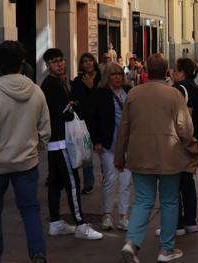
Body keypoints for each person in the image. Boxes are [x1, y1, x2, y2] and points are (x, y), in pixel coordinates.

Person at [115, 53, 198, 263]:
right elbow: (184, 127)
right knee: (169, 201)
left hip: (139, 153)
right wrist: (192, 148)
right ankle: (166, 248)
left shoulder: (133, 94)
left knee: (143, 200)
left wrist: (119, 156)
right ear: (166, 72)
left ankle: (132, 242)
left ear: (146, 72)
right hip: (169, 155)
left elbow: (123, 128)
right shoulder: (173, 95)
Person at [0, 41, 51, 262]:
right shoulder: (36, 92)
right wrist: (35, 148)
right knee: (30, 210)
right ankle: (37, 253)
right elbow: (45, 130)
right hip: (26, 163)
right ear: (22, 62)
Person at [41, 48, 102, 241]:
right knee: (73, 183)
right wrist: (73, 106)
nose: (59, 64)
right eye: (54, 62)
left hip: (56, 142)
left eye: (61, 60)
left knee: (55, 183)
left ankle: (56, 222)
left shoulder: (56, 83)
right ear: (48, 65)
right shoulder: (52, 86)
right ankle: (80, 224)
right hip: (60, 143)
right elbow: (64, 113)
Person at [89, 62, 132, 232]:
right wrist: (96, 141)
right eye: (113, 74)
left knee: (126, 181)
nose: (117, 77)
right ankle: (106, 215)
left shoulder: (128, 92)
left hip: (128, 144)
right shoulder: (100, 94)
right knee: (110, 179)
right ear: (107, 76)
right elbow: (92, 118)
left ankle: (123, 216)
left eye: (120, 74)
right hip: (108, 143)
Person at [169, 58, 198, 236]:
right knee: (187, 182)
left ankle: (177, 223)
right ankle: (191, 221)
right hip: (195, 139)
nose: (172, 73)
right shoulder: (197, 89)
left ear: (182, 73)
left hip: (180, 141)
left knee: (175, 183)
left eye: (175, 70)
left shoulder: (178, 90)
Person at [70, 53, 102, 195]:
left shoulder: (102, 78)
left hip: (101, 119)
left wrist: (91, 87)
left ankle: (107, 176)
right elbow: (78, 100)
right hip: (85, 121)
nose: (88, 63)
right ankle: (88, 183)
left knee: (104, 151)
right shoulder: (78, 80)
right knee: (87, 151)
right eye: (84, 61)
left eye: (90, 60)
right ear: (81, 65)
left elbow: (102, 99)